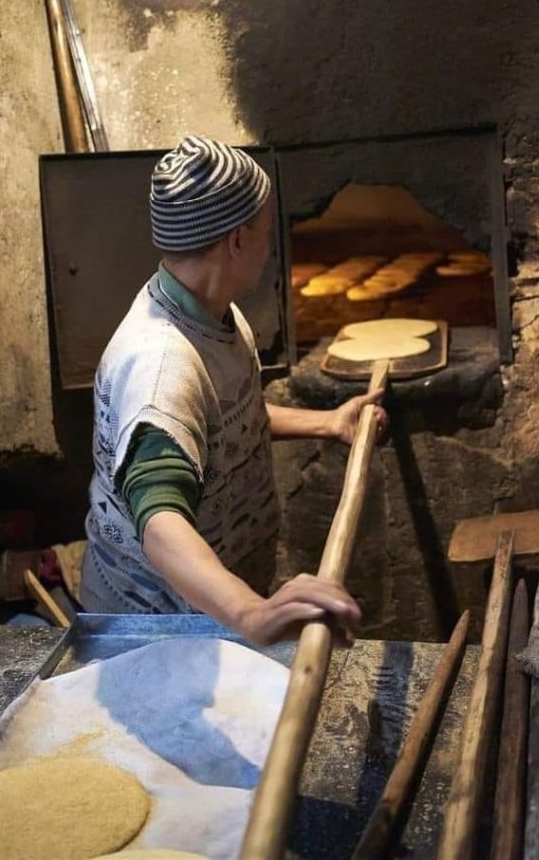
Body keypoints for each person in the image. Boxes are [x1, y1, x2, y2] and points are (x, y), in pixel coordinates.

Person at [80, 135, 388, 646]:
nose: (271, 248)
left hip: (205, 606)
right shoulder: (160, 365)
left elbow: (220, 423)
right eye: (267, 232)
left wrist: (329, 422)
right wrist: (248, 613)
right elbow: (160, 522)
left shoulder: (215, 314)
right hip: (157, 626)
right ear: (237, 240)